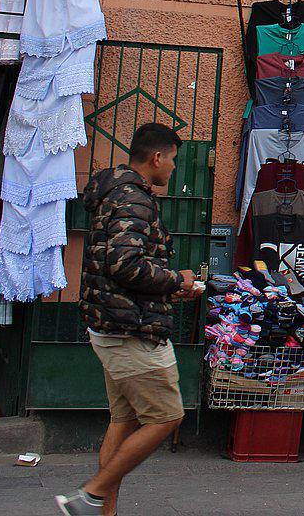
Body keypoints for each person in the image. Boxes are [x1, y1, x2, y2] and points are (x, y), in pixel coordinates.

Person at [56, 123, 200, 516]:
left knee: (124, 420)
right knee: (167, 417)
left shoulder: (115, 192)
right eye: (172, 159)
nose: (172, 167)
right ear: (157, 157)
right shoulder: (133, 199)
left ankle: (102, 511)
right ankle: (90, 496)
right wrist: (176, 280)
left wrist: (171, 283)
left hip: (112, 324)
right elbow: (126, 264)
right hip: (131, 330)